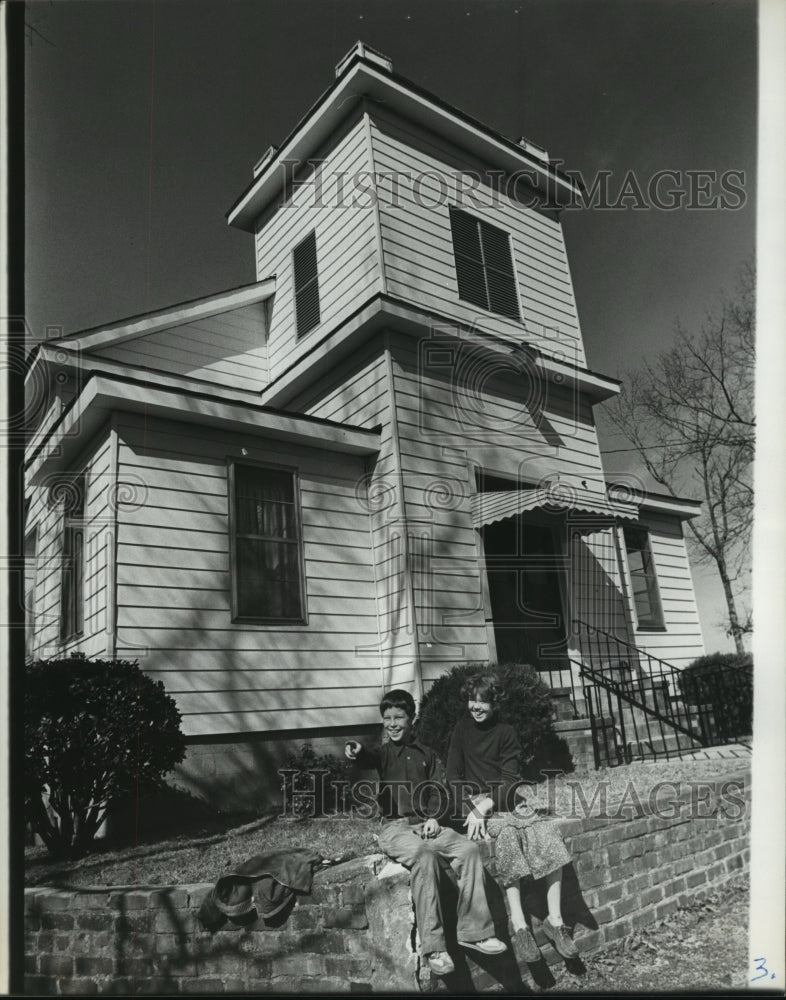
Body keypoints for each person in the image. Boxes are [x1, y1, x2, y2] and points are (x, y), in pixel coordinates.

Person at [346, 688, 507, 977]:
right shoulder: (382, 755)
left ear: (412, 720)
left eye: (399, 718)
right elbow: (367, 758)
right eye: (387, 718)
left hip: (427, 825)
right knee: (423, 857)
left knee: (468, 850)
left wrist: (434, 817)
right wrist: (357, 750)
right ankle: (435, 948)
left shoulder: (427, 755)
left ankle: (475, 932)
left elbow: (439, 788)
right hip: (395, 828)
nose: (393, 724)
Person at [445, 673, 578, 962]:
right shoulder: (461, 730)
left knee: (545, 831)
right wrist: (472, 808)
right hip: (477, 804)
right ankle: (520, 927)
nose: (475, 707)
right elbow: (452, 777)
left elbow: (510, 780)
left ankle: (555, 922)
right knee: (506, 836)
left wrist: (487, 805)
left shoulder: (505, 732)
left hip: (507, 799)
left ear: (495, 704)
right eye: (472, 701)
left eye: (483, 702)